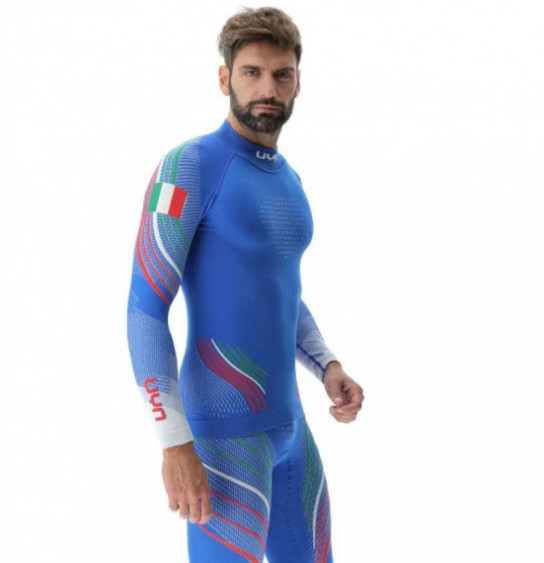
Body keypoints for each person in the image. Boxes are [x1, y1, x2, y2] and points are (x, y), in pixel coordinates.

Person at [126, 7, 364, 562]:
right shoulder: (186, 169)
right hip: (222, 441)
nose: (267, 89)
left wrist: (327, 364)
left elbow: (279, 290)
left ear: (298, 82)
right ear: (224, 78)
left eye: (281, 75)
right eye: (252, 72)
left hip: (292, 428)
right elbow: (144, 308)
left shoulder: (289, 178)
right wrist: (173, 441)